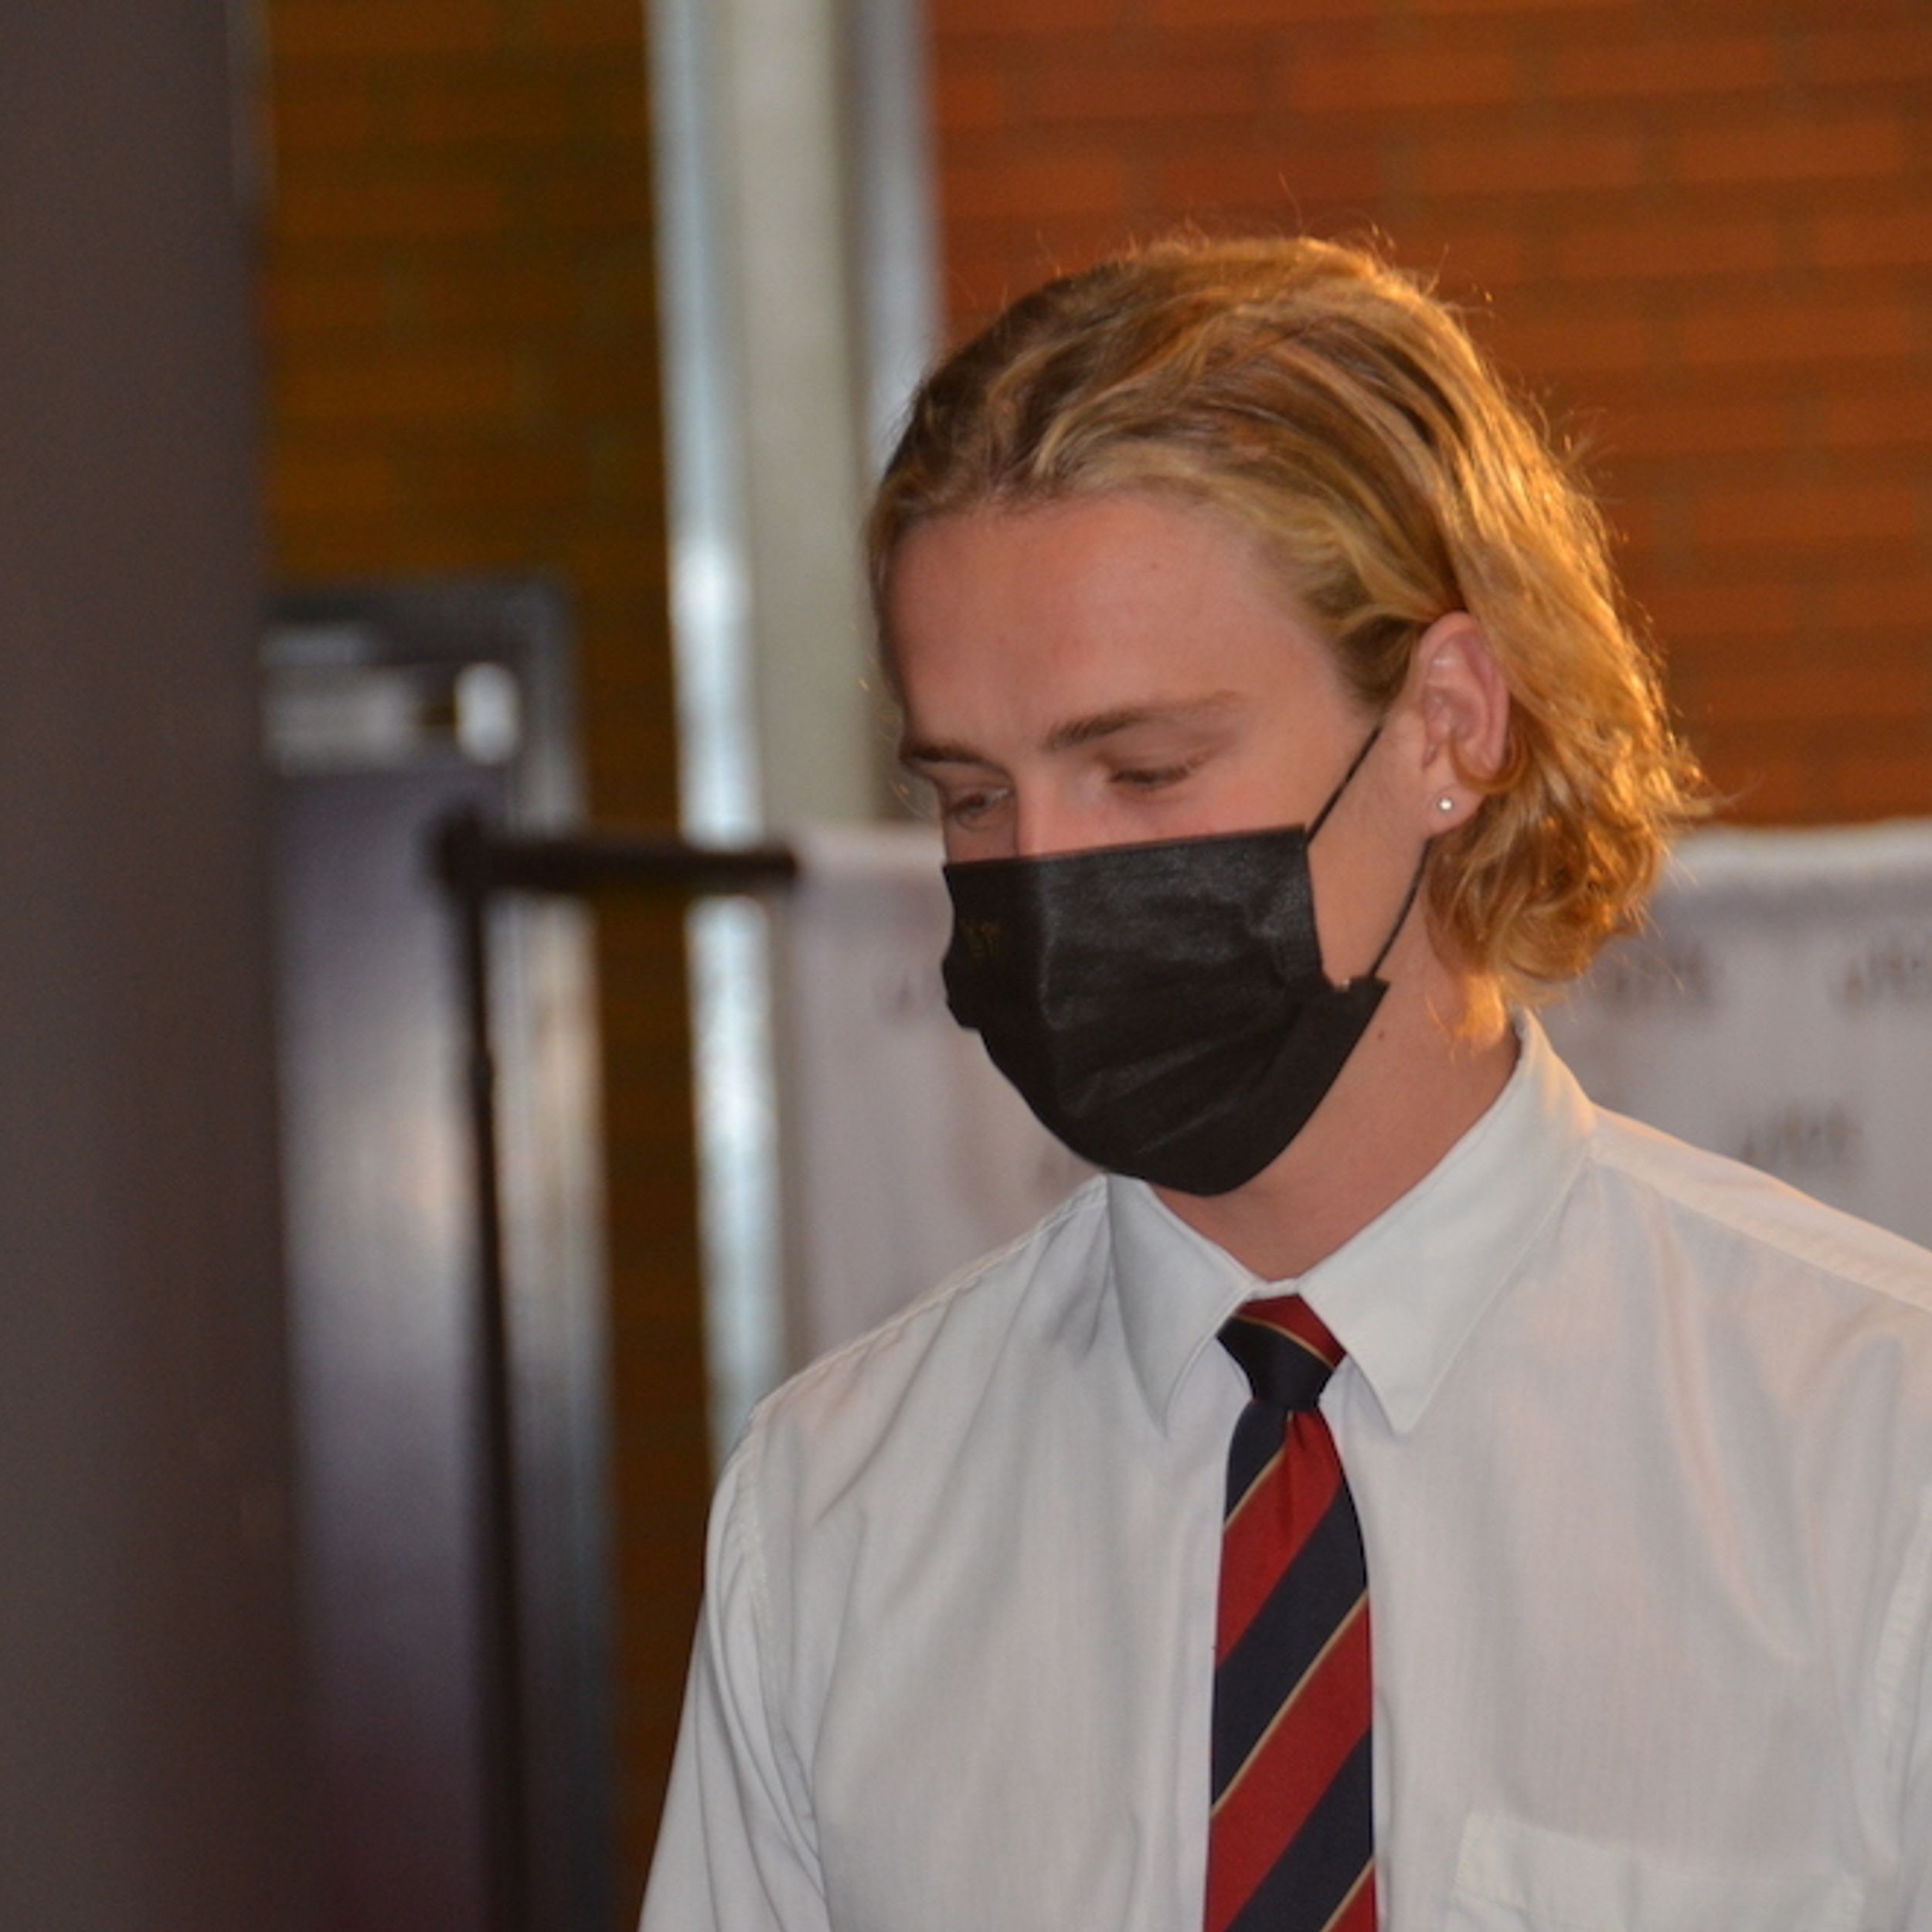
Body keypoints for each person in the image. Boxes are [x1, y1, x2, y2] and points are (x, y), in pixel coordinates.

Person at [639, 236, 1932, 1931]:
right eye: (970, 797)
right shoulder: (835, 1509)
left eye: (1142, 768)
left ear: (1447, 725)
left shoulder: (1873, 1446)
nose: (1042, 877)